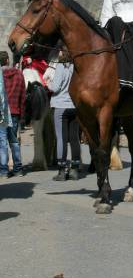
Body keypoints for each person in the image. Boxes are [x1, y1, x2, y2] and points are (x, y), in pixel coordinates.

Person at [47, 47, 81, 181]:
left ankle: (62, 170)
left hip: (61, 105)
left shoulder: (61, 66)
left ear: (63, 53)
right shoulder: (76, 66)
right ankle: (75, 169)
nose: (59, 53)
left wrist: (48, 82)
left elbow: (55, 88)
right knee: (74, 138)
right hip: (74, 105)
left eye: (60, 51)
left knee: (61, 138)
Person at [0, 51, 25, 177]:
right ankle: (18, 168)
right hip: (15, 111)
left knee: (2, 141)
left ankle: (3, 170)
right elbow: (23, 96)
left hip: (2, 112)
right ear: (7, 60)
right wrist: (22, 114)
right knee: (14, 140)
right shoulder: (19, 74)